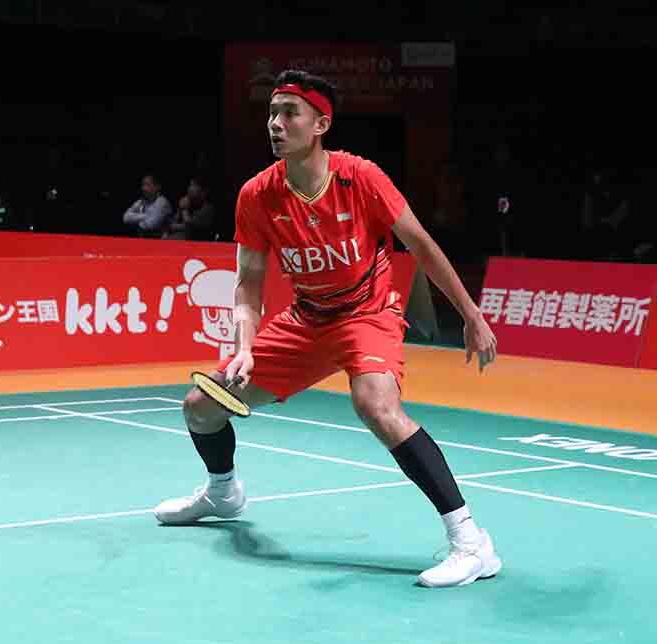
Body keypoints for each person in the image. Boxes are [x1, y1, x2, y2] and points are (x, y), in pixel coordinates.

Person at [152, 69, 502, 588]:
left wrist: (472, 316)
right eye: (272, 113)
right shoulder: (257, 196)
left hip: (368, 313)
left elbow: (422, 245)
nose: (275, 123)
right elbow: (248, 283)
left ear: (321, 123)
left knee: (376, 405)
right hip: (307, 319)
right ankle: (223, 492)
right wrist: (243, 348)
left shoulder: (360, 177)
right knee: (200, 408)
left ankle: (472, 543)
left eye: (289, 113)